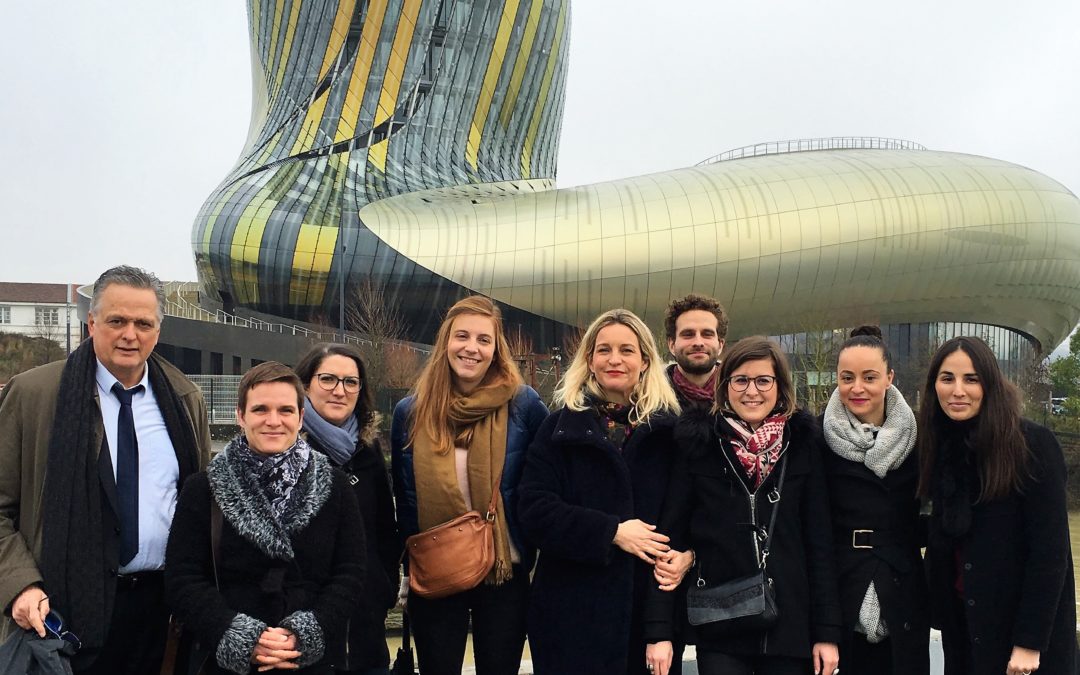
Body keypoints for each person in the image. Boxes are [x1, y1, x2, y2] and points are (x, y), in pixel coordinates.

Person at [0, 265, 212, 674]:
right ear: (92, 321)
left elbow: (198, 506)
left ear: (158, 330)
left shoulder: (185, 399)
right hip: (60, 615)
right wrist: (20, 584)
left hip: (159, 614)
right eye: (116, 321)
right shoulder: (34, 395)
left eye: (142, 323)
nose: (129, 334)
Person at [644, 336, 841, 675]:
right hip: (722, 623)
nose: (752, 391)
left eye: (763, 380)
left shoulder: (803, 446)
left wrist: (827, 633)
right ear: (725, 386)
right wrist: (659, 630)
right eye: (741, 380)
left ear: (780, 386)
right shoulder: (701, 446)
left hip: (790, 624)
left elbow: (820, 546)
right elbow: (670, 539)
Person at [165, 362, 365, 674]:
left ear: (300, 418)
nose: (274, 421)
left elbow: (350, 573)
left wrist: (306, 632)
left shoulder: (335, 486)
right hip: (226, 661)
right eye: (261, 410)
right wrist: (239, 636)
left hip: (314, 660)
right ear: (240, 416)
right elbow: (183, 579)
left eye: (285, 410)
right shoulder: (203, 489)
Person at [518, 308, 685, 675]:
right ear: (589, 361)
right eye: (603, 350)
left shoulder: (670, 434)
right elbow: (534, 509)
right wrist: (611, 532)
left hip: (649, 616)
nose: (615, 359)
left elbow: (690, 515)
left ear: (644, 361)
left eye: (627, 350)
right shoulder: (558, 429)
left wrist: (689, 554)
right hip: (571, 616)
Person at [390, 296, 548, 675]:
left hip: (502, 570)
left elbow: (543, 481)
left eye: (483, 339)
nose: (471, 348)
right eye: (462, 336)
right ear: (446, 342)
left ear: (496, 350)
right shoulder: (410, 412)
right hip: (437, 567)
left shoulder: (523, 404)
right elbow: (405, 496)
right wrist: (408, 573)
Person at [919, 336, 1077, 675]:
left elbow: (1051, 554)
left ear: (989, 383)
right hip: (965, 629)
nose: (958, 390)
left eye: (971, 379)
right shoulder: (940, 448)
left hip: (1020, 643)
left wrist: (1029, 643)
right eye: (947, 379)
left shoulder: (1032, 446)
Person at [821, 326, 928, 674]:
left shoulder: (922, 442)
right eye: (847, 377)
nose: (857, 388)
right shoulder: (815, 437)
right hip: (840, 586)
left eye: (869, 377)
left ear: (889, 378)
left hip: (902, 586)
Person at [294, 343, 399, 674]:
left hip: (364, 625)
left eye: (351, 382)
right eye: (328, 379)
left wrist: (384, 587)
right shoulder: (286, 450)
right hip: (302, 629)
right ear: (306, 385)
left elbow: (385, 529)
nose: (340, 390)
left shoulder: (367, 454)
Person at [664, 293, 728, 410]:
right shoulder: (648, 399)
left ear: (720, 345)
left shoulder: (744, 395)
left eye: (707, 334)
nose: (698, 342)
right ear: (672, 345)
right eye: (688, 334)